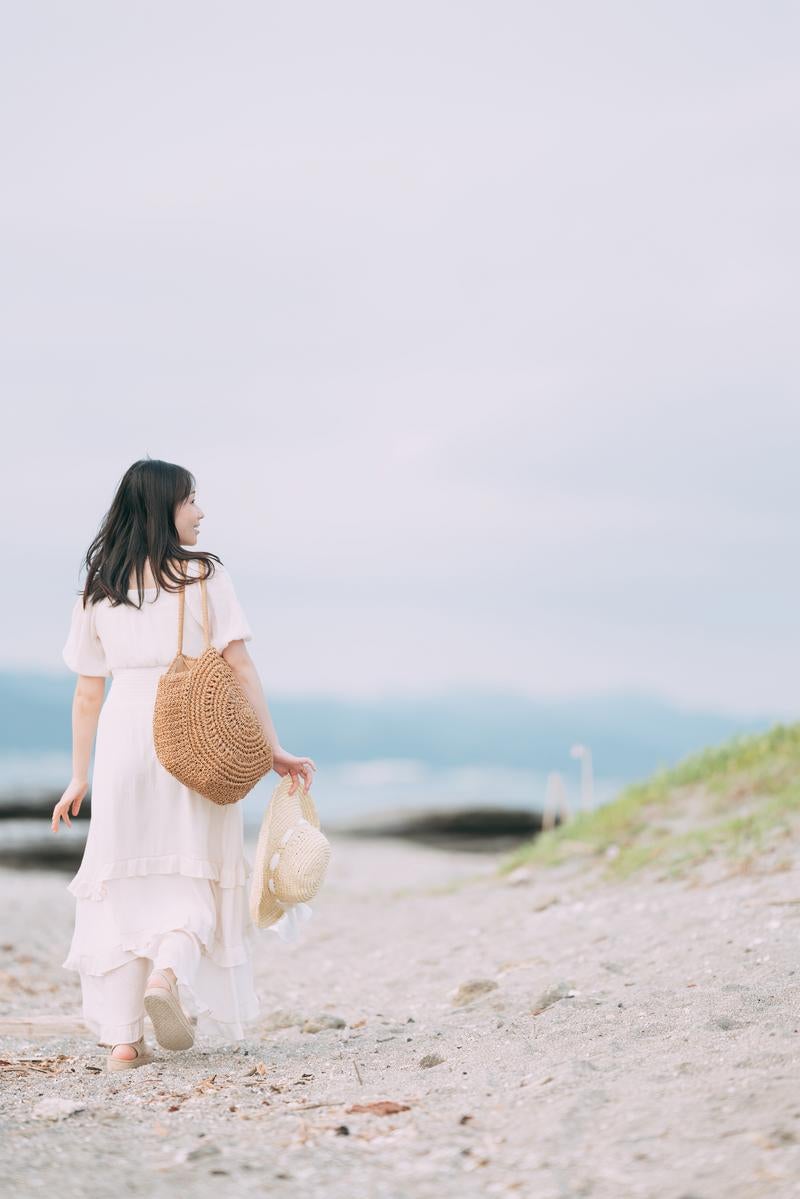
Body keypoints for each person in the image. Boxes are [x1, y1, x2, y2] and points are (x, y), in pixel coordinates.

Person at [52, 457, 316, 1070]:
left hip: (123, 737)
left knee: (123, 877)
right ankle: (166, 976)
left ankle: (123, 1040)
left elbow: (88, 693)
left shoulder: (100, 585)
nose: (200, 512)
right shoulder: (202, 577)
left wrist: (79, 775)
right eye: (191, 500)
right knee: (192, 869)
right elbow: (241, 667)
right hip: (194, 735)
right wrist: (271, 746)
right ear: (165, 507)